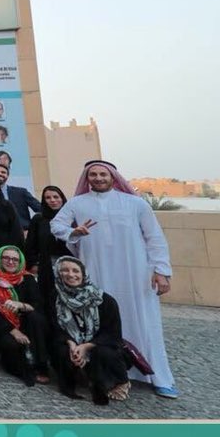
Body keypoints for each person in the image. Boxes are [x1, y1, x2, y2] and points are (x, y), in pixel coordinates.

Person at [51, 160, 178, 398]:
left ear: (113, 177)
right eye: (93, 175)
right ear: (87, 178)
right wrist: (73, 232)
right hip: (96, 272)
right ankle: (107, 374)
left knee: (144, 323)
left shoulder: (136, 203)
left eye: (103, 174)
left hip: (135, 275)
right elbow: (56, 225)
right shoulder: (77, 203)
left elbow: (155, 238)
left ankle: (159, 376)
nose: (98, 178)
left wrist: (161, 271)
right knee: (101, 323)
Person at [49, 256, 130, 404]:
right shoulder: (55, 298)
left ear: (83, 274)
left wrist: (86, 346)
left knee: (103, 351)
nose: (70, 274)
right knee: (61, 349)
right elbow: (54, 326)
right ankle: (76, 378)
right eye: (65, 270)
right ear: (58, 274)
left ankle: (121, 382)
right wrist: (72, 344)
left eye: (76, 271)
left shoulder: (104, 300)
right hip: (72, 342)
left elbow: (112, 333)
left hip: (98, 344)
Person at [0, 246, 50, 386]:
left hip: (25, 322)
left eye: (15, 259)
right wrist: (13, 330)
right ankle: (21, 367)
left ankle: (41, 365)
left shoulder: (27, 278)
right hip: (1, 325)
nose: (10, 262)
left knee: (36, 318)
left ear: (20, 262)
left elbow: (37, 304)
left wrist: (20, 305)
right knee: (11, 345)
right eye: (6, 258)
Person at [24, 186, 72, 312]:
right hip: (47, 266)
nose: (52, 200)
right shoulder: (38, 219)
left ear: (62, 198)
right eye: (48, 198)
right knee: (50, 299)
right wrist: (33, 264)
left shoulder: (71, 218)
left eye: (56, 197)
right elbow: (31, 244)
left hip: (70, 266)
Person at [0, 163, 41, 232]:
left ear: (7, 175)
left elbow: (40, 208)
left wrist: (34, 228)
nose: (0, 174)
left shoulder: (21, 192)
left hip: (22, 232)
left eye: (3, 172)